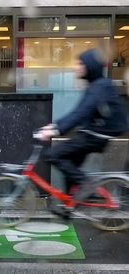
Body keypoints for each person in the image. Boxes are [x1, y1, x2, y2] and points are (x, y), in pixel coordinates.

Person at [38, 48, 128, 202]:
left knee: (52, 155)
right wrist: (53, 126)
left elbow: (82, 113)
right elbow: (77, 111)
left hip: (95, 136)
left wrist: (57, 130)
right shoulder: (95, 85)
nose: (76, 67)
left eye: (80, 64)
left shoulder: (100, 87)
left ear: (90, 66)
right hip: (92, 133)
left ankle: (86, 185)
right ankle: (69, 204)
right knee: (69, 164)